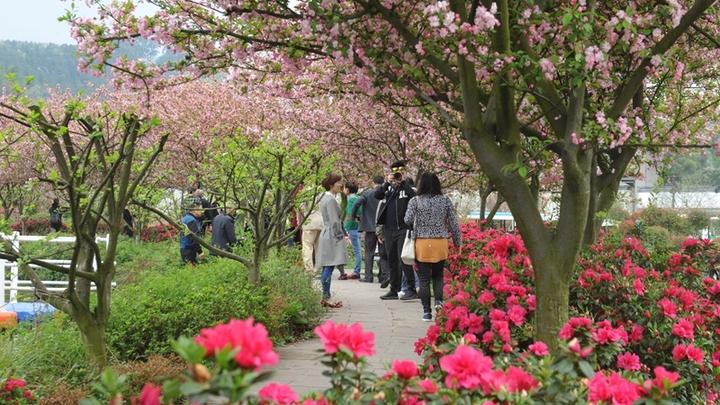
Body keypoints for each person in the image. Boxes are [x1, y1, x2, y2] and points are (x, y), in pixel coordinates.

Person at [404, 172, 461, 322]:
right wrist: (457, 243)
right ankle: (439, 302)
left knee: (423, 279)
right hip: (440, 242)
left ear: (421, 184)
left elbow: (407, 219)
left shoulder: (415, 201)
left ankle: (426, 313)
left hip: (422, 243)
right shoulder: (445, 201)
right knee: (438, 276)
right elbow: (454, 224)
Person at [375, 160, 417, 300]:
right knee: (392, 259)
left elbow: (414, 198)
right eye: (394, 173)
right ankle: (394, 289)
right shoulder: (389, 188)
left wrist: (404, 183)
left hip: (403, 229)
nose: (397, 175)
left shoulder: (408, 188)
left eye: (399, 172)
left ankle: (410, 288)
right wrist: (387, 183)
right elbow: (377, 195)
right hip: (389, 229)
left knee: (403, 258)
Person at [317, 173, 347, 305]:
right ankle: (326, 296)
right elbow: (335, 221)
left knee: (327, 266)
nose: (340, 185)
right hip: (332, 234)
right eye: (338, 183)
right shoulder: (330, 200)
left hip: (327, 233)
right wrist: (340, 236)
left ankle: (326, 295)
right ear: (331, 185)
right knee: (329, 266)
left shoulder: (324, 198)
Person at [351, 175, 386, 283]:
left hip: (370, 228)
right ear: (383, 182)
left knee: (369, 252)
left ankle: (368, 276)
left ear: (373, 182)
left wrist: (354, 216)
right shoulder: (386, 194)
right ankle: (383, 276)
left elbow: (356, 204)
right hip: (383, 228)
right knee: (383, 253)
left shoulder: (367, 193)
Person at [343, 181, 362, 279]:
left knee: (356, 250)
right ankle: (356, 270)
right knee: (357, 249)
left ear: (348, 189)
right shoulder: (358, 198)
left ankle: (356, 271)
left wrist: (346, 227)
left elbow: (351, 214)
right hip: (358, 226)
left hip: (352, 227)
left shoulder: (351, 199)